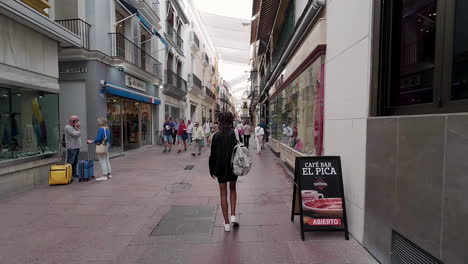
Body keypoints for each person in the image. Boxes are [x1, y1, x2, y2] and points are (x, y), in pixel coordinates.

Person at [209, 112, 239, 232]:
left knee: (223, 194)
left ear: (220, 121)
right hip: (233, 168)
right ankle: (233, 216)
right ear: (230, 121)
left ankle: (226, 223)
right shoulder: (234, 134)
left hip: (220, 168)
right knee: (233, 189)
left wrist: (211, 170)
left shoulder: (215, 136)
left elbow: (213, 155)